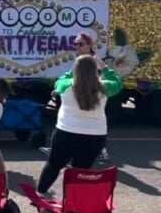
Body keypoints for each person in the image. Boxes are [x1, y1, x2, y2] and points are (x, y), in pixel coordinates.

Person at [36, 55, 122, 195]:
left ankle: (39, 195)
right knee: (81, 171)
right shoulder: (105, 86)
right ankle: (74, 203)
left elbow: (59, 82)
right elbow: (117, 83)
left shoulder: (66, 84)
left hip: (66, 131)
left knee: (54, 164)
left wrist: (74, 70)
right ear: (96, 70)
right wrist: (105, 68)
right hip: (95, 134)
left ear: (76, 70)